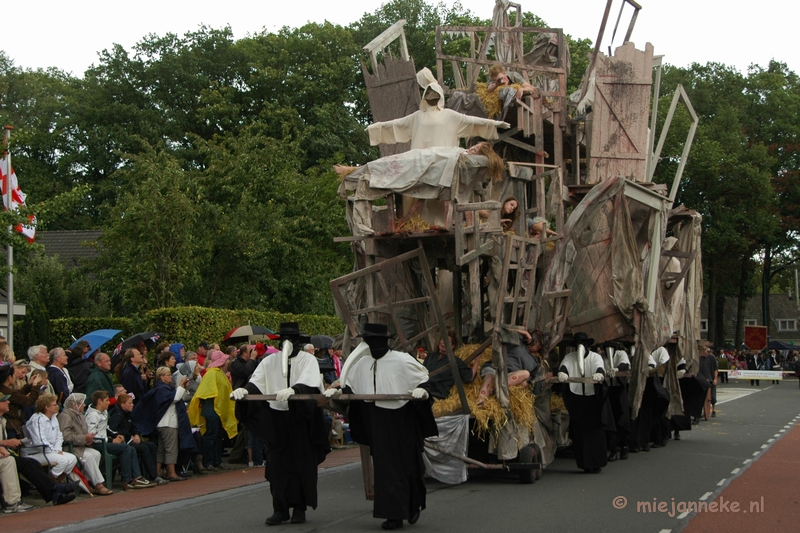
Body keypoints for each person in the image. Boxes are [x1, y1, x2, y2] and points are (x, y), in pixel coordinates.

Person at [325, 323, 437, 530]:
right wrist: (338, 390)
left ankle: (412, 505)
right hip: (375, 418)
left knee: (408, 465)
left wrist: (422, 390)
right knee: (385, 468)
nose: (370, 344)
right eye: (367, 340)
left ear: (383, 342)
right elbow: (352, 385)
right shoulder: (361, 363)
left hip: (400, 418)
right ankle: (393, 514)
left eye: (373, 340)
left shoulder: (402, 360)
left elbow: (423, 379)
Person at [232, 322, 329, 526]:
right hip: (277, 419)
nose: (288, 343)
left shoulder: (307, 360)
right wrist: (245, 392)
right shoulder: (269, 362)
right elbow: (256, 382)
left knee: (301, 464)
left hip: (300, 419)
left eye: (291, 340)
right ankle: (280, 509)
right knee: (277, 467)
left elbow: (309, 381)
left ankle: (299, 509)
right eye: (284, 339)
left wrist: (295, 389)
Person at [0, 392, 77, 509]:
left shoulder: (3, 420)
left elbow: (59, 436)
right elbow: (39, 440)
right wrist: (4, 443)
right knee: (25, 462)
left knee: (31, 463)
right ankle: (55, 489)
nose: (8, 402)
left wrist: (16, 442)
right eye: (4, 400)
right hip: (27, 452)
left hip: (8, 454)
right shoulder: (37, 419)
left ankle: (54, 493)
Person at [132, 367, 197, 482]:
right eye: (168, 374)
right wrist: (181, 385)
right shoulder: (162, 388)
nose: (170, 376)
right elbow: (174, 399)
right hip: (168, 423)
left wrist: (182, 388)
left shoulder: (162, 388)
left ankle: (158, 472)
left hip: (163, 423)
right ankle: (171, 473)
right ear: (161, 377)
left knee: (161, 449)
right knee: (171, 449)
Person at [557, 332, 609, 473]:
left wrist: (599, 373)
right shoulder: (570, 357)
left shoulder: (595, 357)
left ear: (587, 346)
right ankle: (585, 464)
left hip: (592, 398)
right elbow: (565, 366)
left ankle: (597, 463)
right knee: (580, 433)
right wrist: (562, 372)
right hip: (578, 397)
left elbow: (599, 367)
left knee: (595, 431)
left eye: (583, 345)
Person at [85, 390, 154, 490]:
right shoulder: (93, 415)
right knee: (125, 448)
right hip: (99, 444)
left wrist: (116, 435)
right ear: (99, 401)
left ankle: (137, 478)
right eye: (107, 400)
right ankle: (127, 480)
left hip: (105, 441)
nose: (109, 402)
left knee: (132, 449)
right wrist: (110, 440)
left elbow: (106, 428)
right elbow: (92, 435)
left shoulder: (103, 412)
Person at [189, 351, 237, 472]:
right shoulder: (212, 374)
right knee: (211, 437)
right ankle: (209, 462)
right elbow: (206, 392)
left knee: (218, 437)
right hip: (213, 410)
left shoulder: (218, 373)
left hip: (218, 410)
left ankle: (217, 461)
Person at [56, 393, 113, 495]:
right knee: (89, 456)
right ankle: (99, 485)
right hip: (69, 447)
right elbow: (65, 436)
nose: (84, 405)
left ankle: (86, 482)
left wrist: (88, 439)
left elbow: (84, 432)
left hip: (80, 446)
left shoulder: (80, 416)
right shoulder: (65, 416)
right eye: (82, 403)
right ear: (74, 405)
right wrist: (84, 438)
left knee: (96, 454)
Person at [109, 393, 164, 484]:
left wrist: (136, 434)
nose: (132, 405)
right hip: (124, 441)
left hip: (131, 438)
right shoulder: (117, 415)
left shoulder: (128, 414)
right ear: (122, 404)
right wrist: (128, 435)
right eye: (129, 403)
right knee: (144, 448)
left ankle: (153, 473)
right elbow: (113, 429)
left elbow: (134, 426)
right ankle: (153, 476)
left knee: (152, 445)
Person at [25, 394, 78, 481]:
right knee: (63, 461)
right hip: (35, 453)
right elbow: (40, 442)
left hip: (50, 451)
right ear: (47, 407)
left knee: (72, 459)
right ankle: (49, 484)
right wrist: (55, 451)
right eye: (55, 405)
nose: (57, 406)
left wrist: (58, 449)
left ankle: (55, 482)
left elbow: (59, 436)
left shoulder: (53, 418)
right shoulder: (37, 419)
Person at [422, 329, 478, 400]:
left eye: (447, 342)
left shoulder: (455, 361)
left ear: (452, 346)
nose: (443, 343)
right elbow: (421, 372)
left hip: (438, 394)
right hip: (424, 389)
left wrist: (477, 360)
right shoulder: (431, 356)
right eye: (442, 340)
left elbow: (469, 377)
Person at [601, 341, 631, 462]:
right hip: (608, 390)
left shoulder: (620, 354)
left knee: (622, 418)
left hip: (619, 389)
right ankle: (612, 449)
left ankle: (624, 446)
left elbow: (624, 364)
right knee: (610, 420)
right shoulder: (602, 357)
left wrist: (617, 369)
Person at [1, 361, 43, 439]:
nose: (16, 377)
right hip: (11, 427)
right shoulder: (8, 392)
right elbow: (28, 401)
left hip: (10, 425)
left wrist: (29, 384)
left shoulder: (5, 390)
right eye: (14, 375)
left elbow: (19, 394)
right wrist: (35, 385)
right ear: (9, 378)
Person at [699, 345, 719, 418]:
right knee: (701, 396)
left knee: (713, 396)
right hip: (702, 379)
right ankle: (700, 411)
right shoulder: (699, 358)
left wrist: (715, 379)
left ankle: (713, 410)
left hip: (711, 378)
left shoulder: (712, 357)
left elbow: (715, 369)